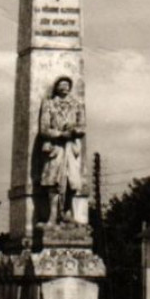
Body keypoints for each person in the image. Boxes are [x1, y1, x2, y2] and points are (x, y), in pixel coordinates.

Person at [37, 76, 85, 224]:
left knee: (72, 181)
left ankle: (68, 213)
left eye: (67, 84)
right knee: (52, 181)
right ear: (56, 86)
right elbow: (43, 129)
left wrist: (73, 131)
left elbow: (82, 126)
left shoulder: (77, 104)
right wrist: (59, 134)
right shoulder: (49, 104)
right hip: (55, 147)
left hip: (71, 148)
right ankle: (53, 214)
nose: (64, 86)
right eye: (61, 84)